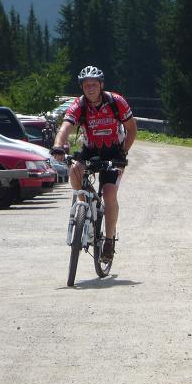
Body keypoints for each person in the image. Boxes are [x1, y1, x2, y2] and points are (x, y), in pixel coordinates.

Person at [51, 65, 137, 261]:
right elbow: (65, 127)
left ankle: (109, 240)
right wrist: (57, 146)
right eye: (86, 85)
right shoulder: (79, 105)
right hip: (90, 150)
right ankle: (84, 210)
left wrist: (123, 153)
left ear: (101, 85)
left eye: (94, 85)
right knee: (75, 170)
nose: (90, 89)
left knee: (109, 193)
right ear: (82, 87)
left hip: (114, 151)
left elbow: (132, 129)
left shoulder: (116, 102)